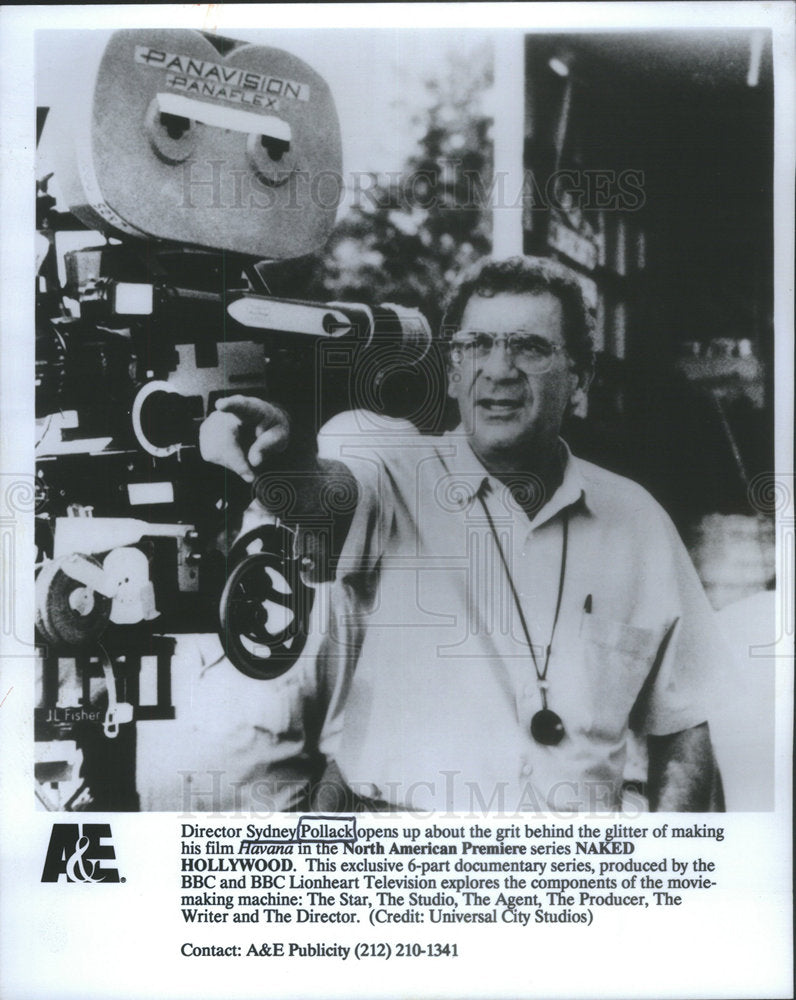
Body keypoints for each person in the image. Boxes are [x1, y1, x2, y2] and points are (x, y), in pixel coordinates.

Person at [200, 256, 725, 813]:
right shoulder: (396, 475)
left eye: (530, 347)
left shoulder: (638, 521)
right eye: (476, 345)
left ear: (580, 377)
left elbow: (685, 728)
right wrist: (281, 463)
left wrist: (671, 865)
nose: (499, 369)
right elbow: (328, 496)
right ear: (451, 372)